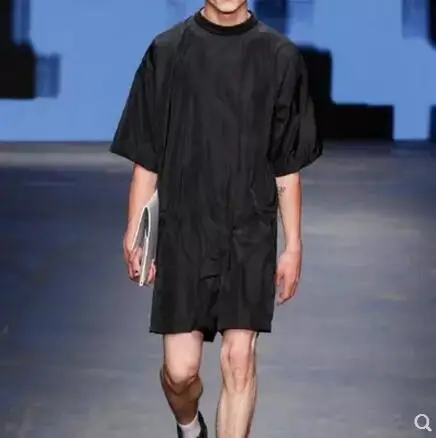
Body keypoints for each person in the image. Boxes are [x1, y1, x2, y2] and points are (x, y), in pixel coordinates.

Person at [110, 1, 322, 437]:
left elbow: (286, 164)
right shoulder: (168, 51)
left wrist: (293, 245)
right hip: (184, 229)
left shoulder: (279, 56)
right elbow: (147, 153)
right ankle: (190, 427)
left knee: (239, 359)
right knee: (180, 373)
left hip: (249, 228)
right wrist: (135, 227)